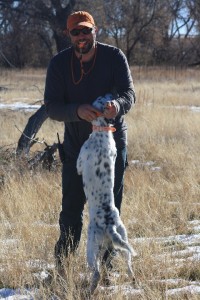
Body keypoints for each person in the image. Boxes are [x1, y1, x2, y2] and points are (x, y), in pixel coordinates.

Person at [44, 11, 136, 274]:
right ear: (68, 35)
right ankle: (62, 271)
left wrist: (116, 105)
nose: (82, 36)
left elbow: (129, 94)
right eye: (76, 32)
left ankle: (106, 271)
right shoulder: (58, 64)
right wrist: (77, 111)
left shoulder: (114, 57)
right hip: (75, 150)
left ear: (95, 30)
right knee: (71, 211)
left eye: (86, 31)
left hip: (110, 148)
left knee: (109, 210)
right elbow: (51, 107)